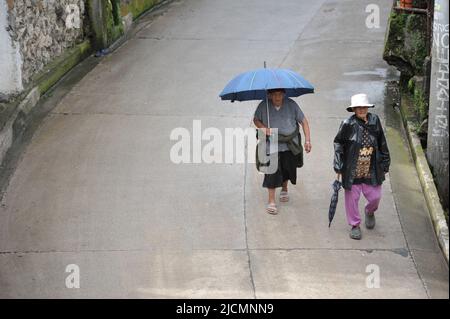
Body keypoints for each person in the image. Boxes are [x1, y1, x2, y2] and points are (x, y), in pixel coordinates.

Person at [333, 93, 390, 240]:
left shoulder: (375, 120)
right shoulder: (347, 124)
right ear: (353, 110)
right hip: (353, 167)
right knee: (352, 199)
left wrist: (385, 161)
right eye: (358, 108)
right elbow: (338, 142)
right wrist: (338, 162)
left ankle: (370, 212)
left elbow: (381, 141)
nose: (361, 110)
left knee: (375, 197)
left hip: (372, 166)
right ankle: (355, 225)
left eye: (363, 107)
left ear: (367, 108)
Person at [253, 88, 311, 215]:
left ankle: (284, 188)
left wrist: (307, 140)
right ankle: (271, 201)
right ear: (269, 95)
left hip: (289, 143)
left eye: (279, 95)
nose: (277, 98)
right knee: (271, 171)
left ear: (284, 94)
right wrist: (264, 128)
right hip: (271, 143)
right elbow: (256, 119)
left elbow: (304, 121)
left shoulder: (291, 104)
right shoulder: (264, 105)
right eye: (274, 95)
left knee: (287, 168)